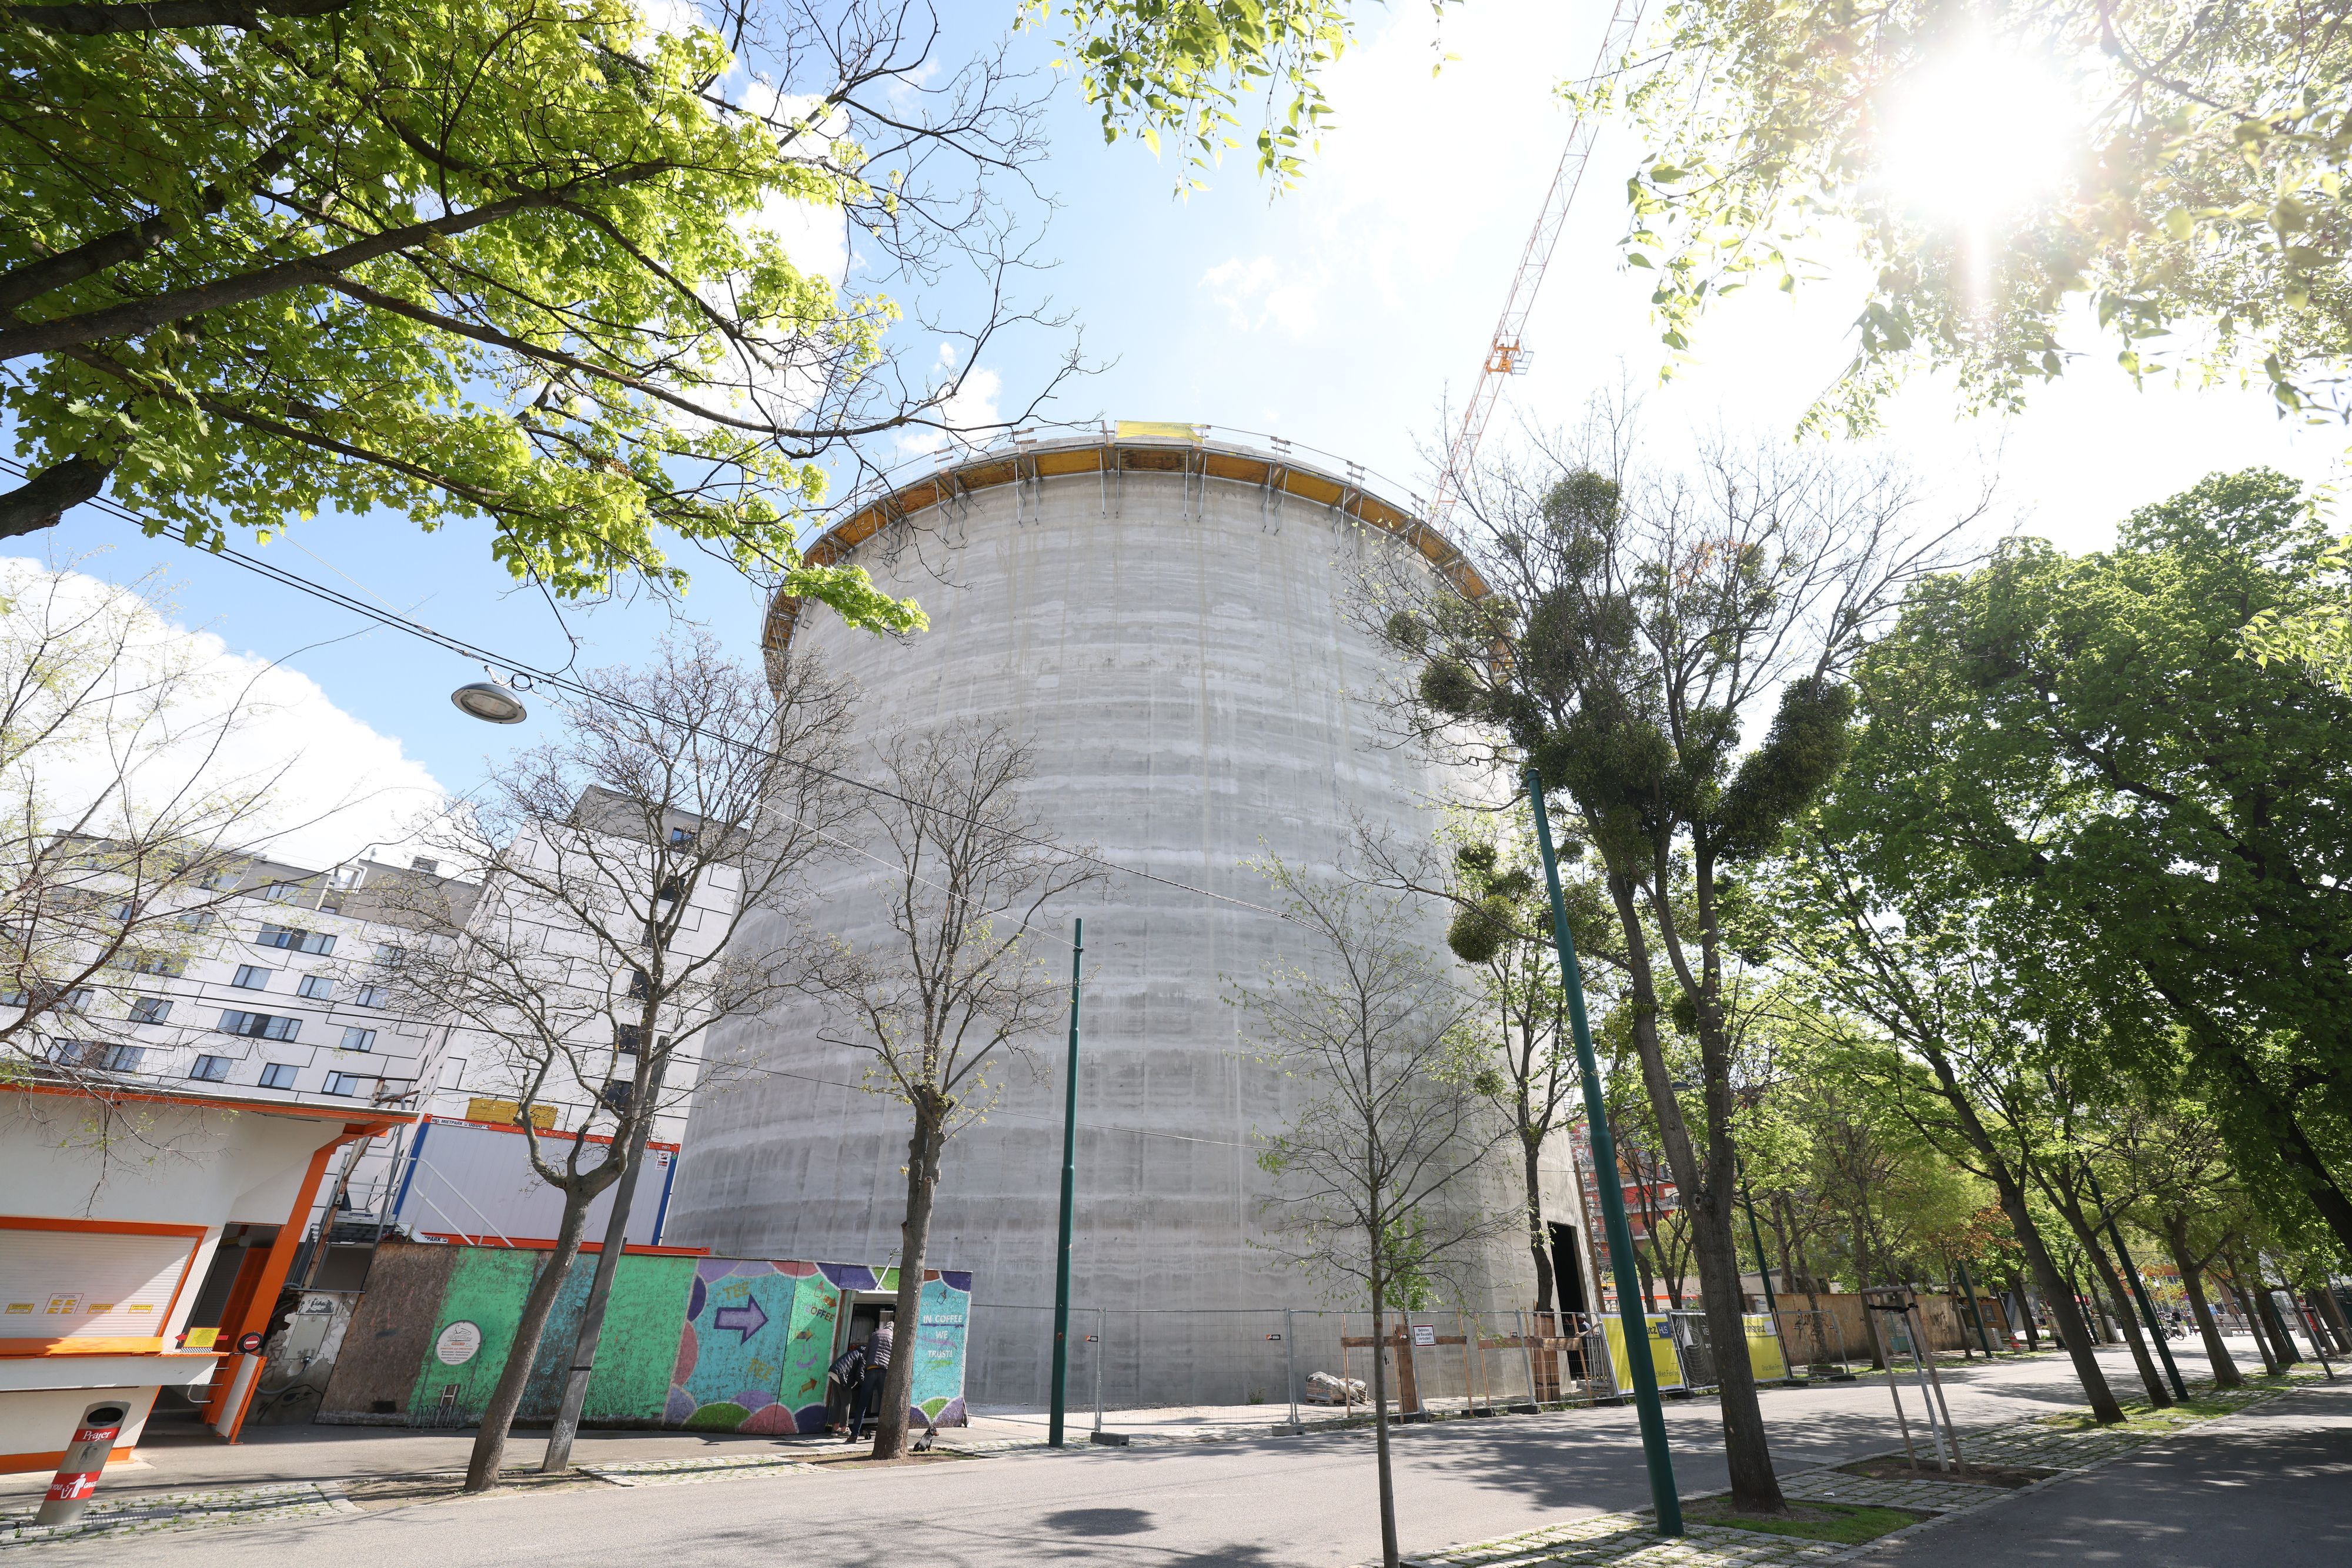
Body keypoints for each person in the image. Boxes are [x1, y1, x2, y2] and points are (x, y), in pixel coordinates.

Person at [846, 1312, 893, 1443]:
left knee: (863, 1404)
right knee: (883, 1405)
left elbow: (865, 1355)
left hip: (871, 1370)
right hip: (884, 1371)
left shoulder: (875, 1334)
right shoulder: (893, 1337)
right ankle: (882, 1436)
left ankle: (854, 1435)